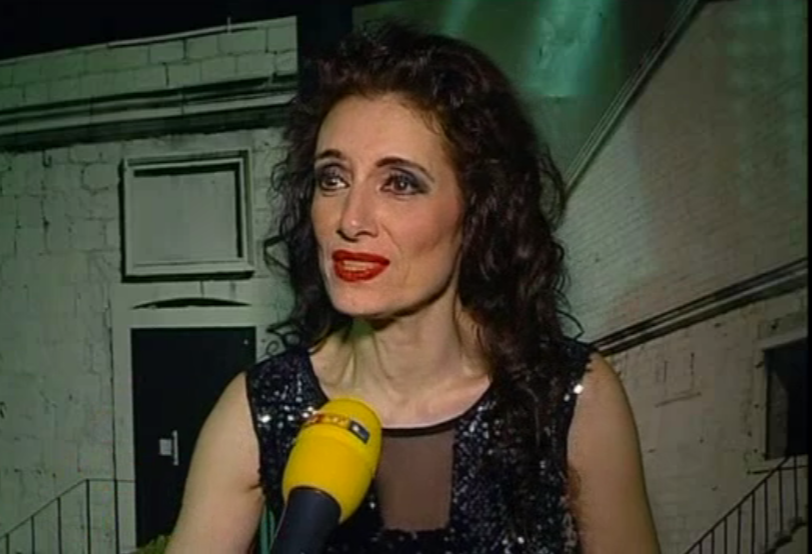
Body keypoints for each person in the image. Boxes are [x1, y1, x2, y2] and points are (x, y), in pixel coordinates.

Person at [167, 22, 659, 553]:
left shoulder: (572, 397)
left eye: (399, 183)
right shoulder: (258, 408)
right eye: (333, 178)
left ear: (479, 210)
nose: (351, 219)